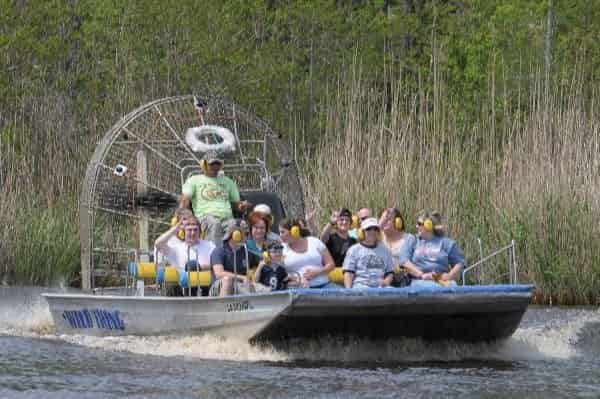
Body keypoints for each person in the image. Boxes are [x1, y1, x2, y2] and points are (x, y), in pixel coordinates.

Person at [180, 150, 251, 244]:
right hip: (205, 218)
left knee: (241, 224)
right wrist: (181, 216)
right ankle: (215, 256)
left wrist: (242, 206)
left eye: (217, 163)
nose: (215, 166)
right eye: (212, 163)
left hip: (227, 219)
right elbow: (185, 200)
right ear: (204, 164)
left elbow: (236, 204)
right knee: (215, 224)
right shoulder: (194, 180)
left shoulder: (228, 182)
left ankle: (239, 256)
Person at [398, 210, 466, 287]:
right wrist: (422, 275)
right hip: (418, 281)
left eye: (419, 224)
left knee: (452, 285)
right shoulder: (412, 240)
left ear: (428, 225)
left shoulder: (447, 243)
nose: (416, 226)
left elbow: (460, 263)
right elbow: (404, 261)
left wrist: (449, 276)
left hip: (440, 281)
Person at [154, 214, 215, 295]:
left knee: (192, 265)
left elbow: (218, 265)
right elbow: (158, 243)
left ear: (200, 231)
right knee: (172, 282)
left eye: (195, 230)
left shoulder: (209, 245)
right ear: (183, 232)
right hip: (183, 289)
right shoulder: (177, 248)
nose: (193, 233)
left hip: (205, 287)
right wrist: (176, 228)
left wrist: (199, 267)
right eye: (189, 230)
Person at [279, 217, 337, 288]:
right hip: (298, 290)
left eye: (282, 232)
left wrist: (318, 272)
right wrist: (296, 279)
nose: (280, 235)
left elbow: (331, 264)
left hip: (324, 285)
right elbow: (279, 272)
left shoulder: (315, 242)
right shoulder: (281, 249)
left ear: (294, 231)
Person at [210, 221, 262, 297]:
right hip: (220, 286)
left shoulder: (247, 251)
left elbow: (257, 266)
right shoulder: (219, 251)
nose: (248, 237)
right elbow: (219, 274)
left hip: (242, 285)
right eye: (246, 234)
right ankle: (221, 307)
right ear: (235, 235)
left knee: (265, 289)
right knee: (227, 280)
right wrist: (242, 277)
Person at [342, 217, 394, 289]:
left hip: (381, 287)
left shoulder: (385, 250)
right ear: (362, 232)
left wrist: (386, 282)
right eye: (369, 229)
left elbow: (390, 272)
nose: (372, 232)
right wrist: (349, 292)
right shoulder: (353, 250)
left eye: (375, 229)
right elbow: (348, 272)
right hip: (360, 286)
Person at [379, 207, 414, 286]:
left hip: (402, 278)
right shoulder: (377, 237)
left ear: (398, 222)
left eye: (388, 219)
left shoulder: (408, 239)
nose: (384, 222)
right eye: (383, 219)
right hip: (382, 276)